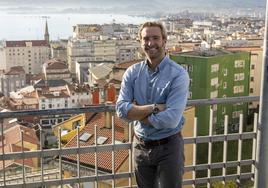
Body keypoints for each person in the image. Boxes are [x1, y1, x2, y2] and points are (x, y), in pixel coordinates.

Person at [116, 21, 189, 188]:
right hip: (140, 146)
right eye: (146, 39)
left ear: (164, 40)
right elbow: (121, 110)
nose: (150, 43)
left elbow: (171, 119)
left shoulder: (178, 74)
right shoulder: (132, 73)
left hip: (169, 147)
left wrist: (137, 113)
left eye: (155, 38)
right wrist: (154, 108)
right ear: (140, 42)